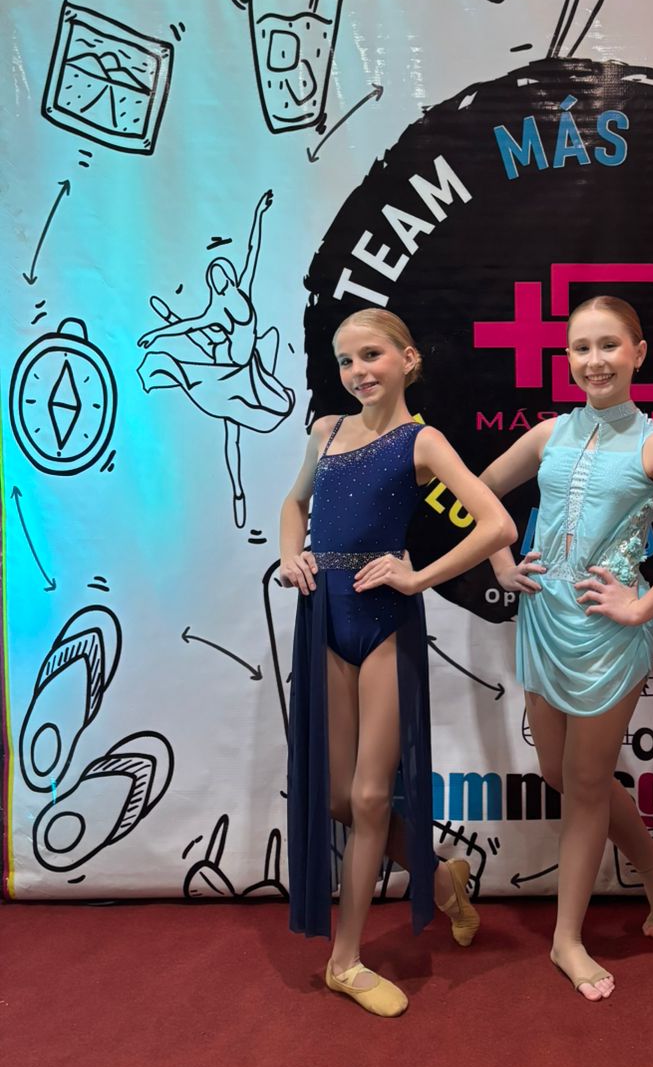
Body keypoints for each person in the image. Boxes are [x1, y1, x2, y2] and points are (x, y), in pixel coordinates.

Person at [481, 297, 653, 1001]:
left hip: (607, 633)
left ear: (639, 354)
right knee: (558, 773)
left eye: (609, 346)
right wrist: (502, 563)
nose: (595, 360)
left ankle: (568, 938)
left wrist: (645, 605)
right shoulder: (549, 433)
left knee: (586, 784)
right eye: (581, 348)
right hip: (541, 618)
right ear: (566, 357)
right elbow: (481, 490)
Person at [279, 309, 516, 1017]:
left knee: (371, 799)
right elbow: (294, 504)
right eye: (346, 361)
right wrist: (291, 553)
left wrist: (419, 578)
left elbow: (497, 524)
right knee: (336, 799)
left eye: (371, 355)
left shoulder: (423, 441)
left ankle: (344, 962)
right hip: (324, 615)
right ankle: (444, 881)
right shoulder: (325, 432)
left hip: (384, 621)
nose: (358, 371)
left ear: (408, 359)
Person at [138, 188, 294, 529]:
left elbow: (253, 250)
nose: (223, 277)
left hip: (248, 364)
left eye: (224, 272)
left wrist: (259, 214)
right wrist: (159, 335)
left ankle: (176, 322)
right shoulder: (217, 307)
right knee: (231, 432)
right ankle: (237, 491)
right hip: (227, 370)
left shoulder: (243, 289)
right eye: (217, 276)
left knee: (266, 346)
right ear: (215, 282)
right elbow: (189, 325)